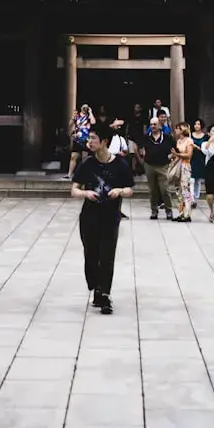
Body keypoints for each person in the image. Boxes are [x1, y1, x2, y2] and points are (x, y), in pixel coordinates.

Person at [71, 125, 134, 315]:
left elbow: (130, 189)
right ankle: (95, 286)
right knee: (91, 255)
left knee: (107, 255)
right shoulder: (87, 164)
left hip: (110, 216)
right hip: (89, 216)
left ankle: (105, 294)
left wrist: (120, 191)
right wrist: (85, 193)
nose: (89, 142)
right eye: (89, 138)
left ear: (104, 142)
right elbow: (73, 190)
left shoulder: (121, 165)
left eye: (93, 138)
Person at [141, 117, 174, 220]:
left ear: (160, 125)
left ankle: (169, 210)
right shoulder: (146, 137)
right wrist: (143, 160)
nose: (153, 126)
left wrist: (170, 158)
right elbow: (140, 149)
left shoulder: (168, 137)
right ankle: (154, 211)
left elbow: (174, 150)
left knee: (164, 190)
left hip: (163, 166)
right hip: (149, 165)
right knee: (153, 190)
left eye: (155, 124)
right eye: (151, 124)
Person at [169, 122, 194, 222]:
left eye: (177, 129)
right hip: (178, 165)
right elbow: (177, 154)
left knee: (185, 189)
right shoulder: (178, 141)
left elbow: (189, 155)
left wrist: (177, 154)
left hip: (185, 166)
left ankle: (187, 213)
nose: (176, 131)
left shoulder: (189, 141)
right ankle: (181, 212)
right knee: (178, 189)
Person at [68, 103, 96, 180]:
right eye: (84, 107)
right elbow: (70, 124)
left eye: (86, 108)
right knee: (73, 156)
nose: (85, 109)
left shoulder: (88, 117)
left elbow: (93, 122)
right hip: (77, 139)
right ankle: (69, 174)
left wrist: (90, 112)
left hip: (86, 139)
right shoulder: (77, 116)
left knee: (85, 158)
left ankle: (84, 174)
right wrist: (72, 117)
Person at [190, 118, 208, 205]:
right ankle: (192, 198)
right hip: (191, 158)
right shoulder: (190, 135)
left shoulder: (205, 137)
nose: (197, 126)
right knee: (191, 179)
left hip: (200, 159)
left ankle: (196, 198)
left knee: (198, 180)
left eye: (198, 124)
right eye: (195, 124)